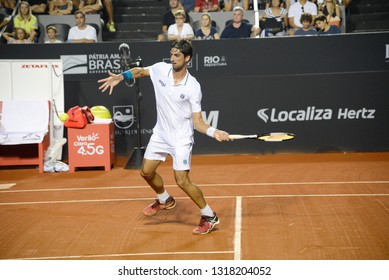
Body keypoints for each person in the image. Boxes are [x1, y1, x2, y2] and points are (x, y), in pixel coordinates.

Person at [98, 39, 230, 235]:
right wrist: (120, 76)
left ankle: (209, 216)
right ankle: (165, 200)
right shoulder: (161, 69)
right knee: (146, 172)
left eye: (177, 56)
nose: (173, 58)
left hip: (181, 138)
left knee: (182, 180)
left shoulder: (193, 86)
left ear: (187, 58)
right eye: (172, 54)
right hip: (161, 133)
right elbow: (139, 72)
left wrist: (214, 132)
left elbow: (198, 122)